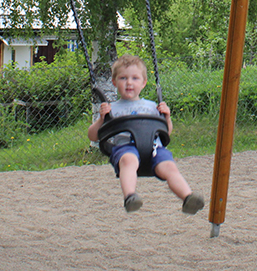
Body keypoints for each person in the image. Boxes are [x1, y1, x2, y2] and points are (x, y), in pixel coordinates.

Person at [88, 54, 205, 214]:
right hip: (125, 148)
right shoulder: (111, 108)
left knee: (169, 167)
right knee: (129, 160)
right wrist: (102, 118)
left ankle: (187, 197)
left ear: (143, 83)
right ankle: (130, 197)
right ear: (114, 83)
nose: (129, 82)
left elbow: (165, 133)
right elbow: (93, 136)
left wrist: (167, 117)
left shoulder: (152, 107)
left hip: (154, 148)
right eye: (123, 78)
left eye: (135, 78)